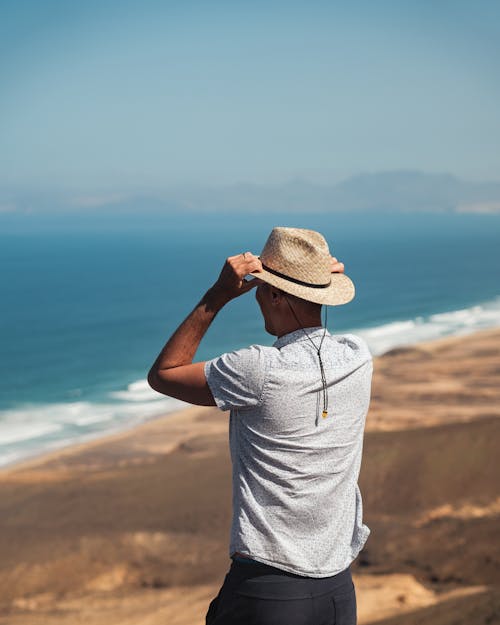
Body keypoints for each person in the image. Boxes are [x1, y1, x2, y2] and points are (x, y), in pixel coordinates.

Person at [148, 227, 373, 625]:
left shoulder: (258, 370)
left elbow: (164, 373)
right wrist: (320, 277)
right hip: (337, 592)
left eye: (260, 288)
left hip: (269, 592)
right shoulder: (358, 357)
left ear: (272, 295)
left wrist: (216, 297)